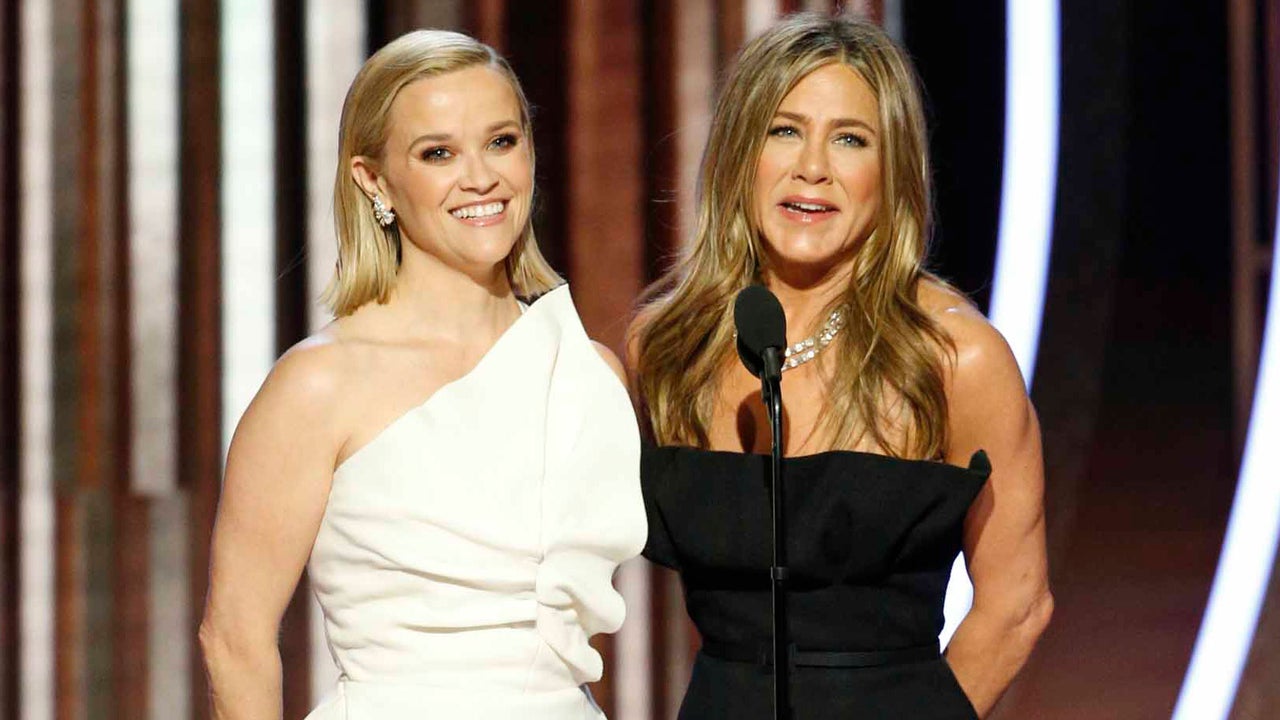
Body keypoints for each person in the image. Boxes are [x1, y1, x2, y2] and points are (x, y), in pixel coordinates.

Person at [198, 30, 645, 719]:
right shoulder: (318, 387)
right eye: (438, 153)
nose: (480, 178)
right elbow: (235, 640)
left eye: (501, 141)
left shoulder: (588, 373)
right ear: (373, 181)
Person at [629, 14, 1052, 720]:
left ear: (890, 172)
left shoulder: (953, 359)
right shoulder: (668, 348)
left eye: (850, 139)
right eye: (784, 130)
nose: (812, 167)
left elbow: (1017, 606)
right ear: (741, 151)